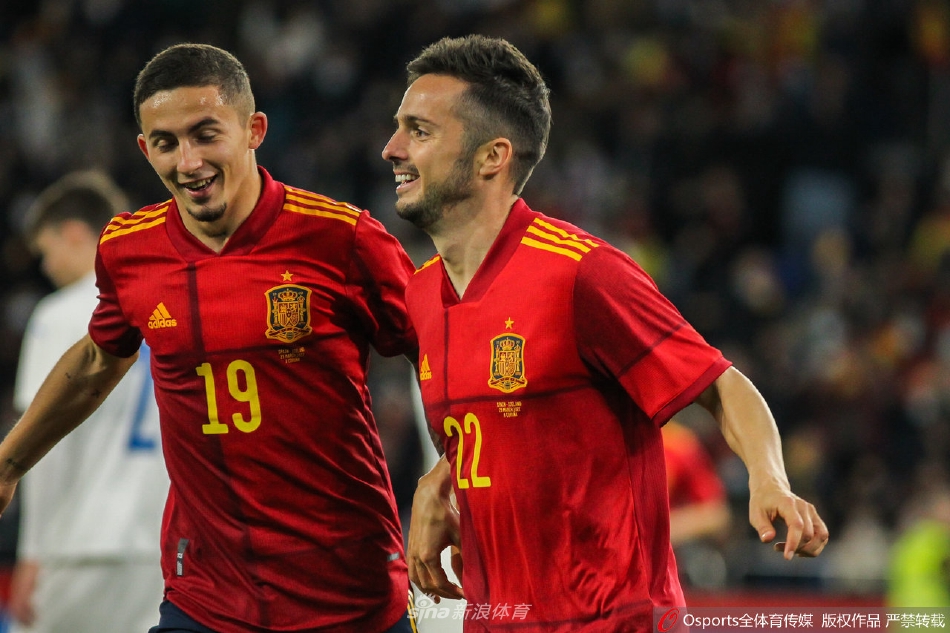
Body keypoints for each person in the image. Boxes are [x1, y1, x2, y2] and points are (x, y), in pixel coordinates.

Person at [382, 35, 828, 630]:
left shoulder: (581, 274)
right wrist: (437, 482)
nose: (391, 148)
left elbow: (721, 385)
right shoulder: (420, 295)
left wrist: (769, 480)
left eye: (419, 131)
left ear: (492, 157)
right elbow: (500, 425)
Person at [0, 43, 418, 633]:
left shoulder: (342, 238)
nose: (188, 161)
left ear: (254, 130)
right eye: (166, 143)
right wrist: (8, 464)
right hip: (206, 595)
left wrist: (447, 471)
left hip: (349, 592)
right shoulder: (128, 249)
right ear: (144, 149)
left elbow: (439, 346)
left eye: (205, 134)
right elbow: (99, 359)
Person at [9, 171, 168, 633]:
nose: (46, 267)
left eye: (47, 251)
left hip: (78, 543)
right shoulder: (160, 306)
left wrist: (31, 552)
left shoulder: (59, 314)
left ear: (75, 234)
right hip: (158, 543)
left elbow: (42, 440)